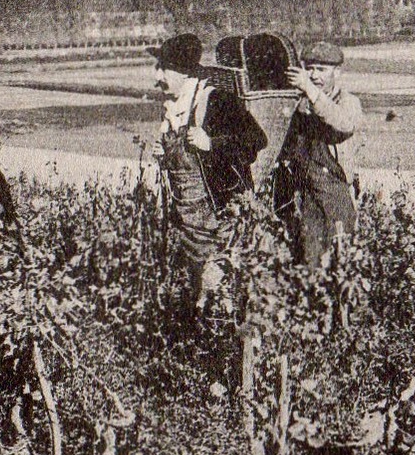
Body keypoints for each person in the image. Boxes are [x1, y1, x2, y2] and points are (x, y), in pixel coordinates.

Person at [150, 33, 266, 306]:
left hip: (218, 222)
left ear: (182, 73)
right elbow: (184, 168)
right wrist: (163, 157)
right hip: (186, 225)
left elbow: (256, 140)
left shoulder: (217, 101)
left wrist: (212, 143)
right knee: (191, 294)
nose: (156, 77)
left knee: (220, 294)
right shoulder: (174, 108)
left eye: (161, 69)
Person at [273, 41, 363, 267]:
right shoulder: (299, 104)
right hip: (304, 193)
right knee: (308, 261)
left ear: (337, 72)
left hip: (335, 193)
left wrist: (310, 92)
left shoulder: (349, 102)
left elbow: (342, 124)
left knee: (341, 257)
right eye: (309, 69)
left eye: (321, 70)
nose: (314, 76)